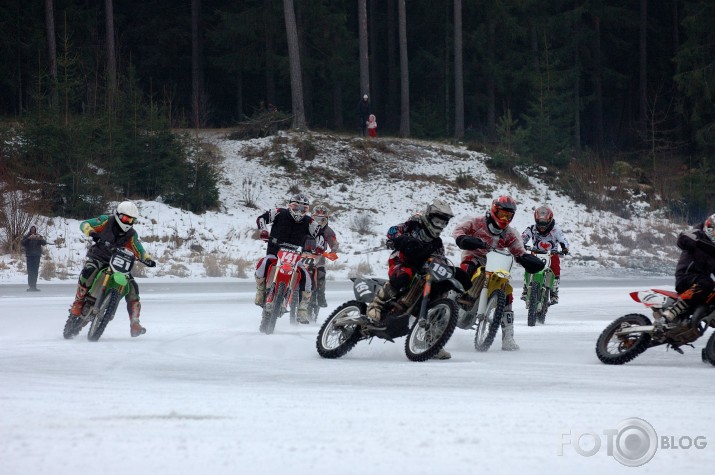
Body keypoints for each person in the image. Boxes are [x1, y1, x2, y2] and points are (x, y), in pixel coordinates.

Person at [366, 199, 462, 360]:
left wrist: (445, 268)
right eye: (437, 220)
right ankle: (376, 304)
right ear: (429, 217)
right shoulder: (414, 223)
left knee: (439, 293)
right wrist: (400, 239)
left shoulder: (437, 242)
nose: (439, 225)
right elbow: (393, 230)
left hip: (422, 272)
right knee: (404, 275)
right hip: (402, 260)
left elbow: (441, 258)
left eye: (443, 223)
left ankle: (433, 340)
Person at [452, 195, 545, 351]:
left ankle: (508, 337)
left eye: (508, 215)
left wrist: (525, 259)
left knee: (506, 291)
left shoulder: (510, 233)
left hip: (496, 264)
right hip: (475, 257)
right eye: (502, 213)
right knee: (466, 271)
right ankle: (452, 298)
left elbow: (518, 250)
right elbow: (459, 230)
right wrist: (462, 238)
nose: (504, 218)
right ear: (494, 210)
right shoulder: (477, 222)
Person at [69, 201, 156, 337]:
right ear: (118, 215)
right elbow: (84, 224)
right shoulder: (105, 221)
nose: (128, 222)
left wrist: (147, 258)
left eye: (131, 219)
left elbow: (138, 248)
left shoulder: (131, 234)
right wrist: (92, 232)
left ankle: (135, 323)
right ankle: (78, 302)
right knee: (89, 271)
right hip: (99, 257)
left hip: (119, 263)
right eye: (126, 218)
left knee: (132, 288)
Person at [255, 193, 319, 324]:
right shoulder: (279, 212)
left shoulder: (309, 221)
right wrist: (263, 231)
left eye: (303, 209)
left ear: (307, 210)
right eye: (297, 207)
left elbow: (319, 233)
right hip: (275, 251)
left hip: (295, 256)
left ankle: (302, 310)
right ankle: (260, 291)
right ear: (290, 205)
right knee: (263, 263)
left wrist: (320, 246)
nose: (299, 211)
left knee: (307, 278)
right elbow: (262, 218)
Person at [658, 213, 715, 324]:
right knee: (707, 283)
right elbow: (683, 238)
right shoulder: (697, 233)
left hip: (701, 282)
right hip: (686, 277)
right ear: (710, 227)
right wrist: (698, 242)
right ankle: (672, 311)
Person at [520, 205, 570, 304]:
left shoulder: (556, 230)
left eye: (544, 223)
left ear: (550, 220)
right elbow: (523, 237)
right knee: (528, 266)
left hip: (551, 254)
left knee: (555, 266)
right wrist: (520, 243)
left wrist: (565, 248)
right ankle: (526, 288)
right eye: (539, 223)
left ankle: (554, 292)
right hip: (536, 253)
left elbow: (563, 240)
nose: (542, 226)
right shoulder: (532, 228)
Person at [306, 204, 340, 308]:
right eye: (317, 218)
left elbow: (334, 242)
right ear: (312, 217)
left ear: (327, 219)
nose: (320, 221)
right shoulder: (306, 226)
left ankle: (321, 296)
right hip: (304, 254)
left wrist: (333, 251)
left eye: (323, 219)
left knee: (321, 273)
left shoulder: (328, 231)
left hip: (319, 256)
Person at [21, 225, 47, 291]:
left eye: (34, 230)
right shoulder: (26, 236)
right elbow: (23, 243)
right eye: (32, 229)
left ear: (35, 230)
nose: (33, 231)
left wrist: (40, 239)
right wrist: (29, 238)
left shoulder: (38, 236)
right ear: (30, 230)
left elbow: (44, 243)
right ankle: (31, 286)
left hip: (37, 256)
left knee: (35, 272)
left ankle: (34, 286)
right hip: (29, 256)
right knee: (30, 272)